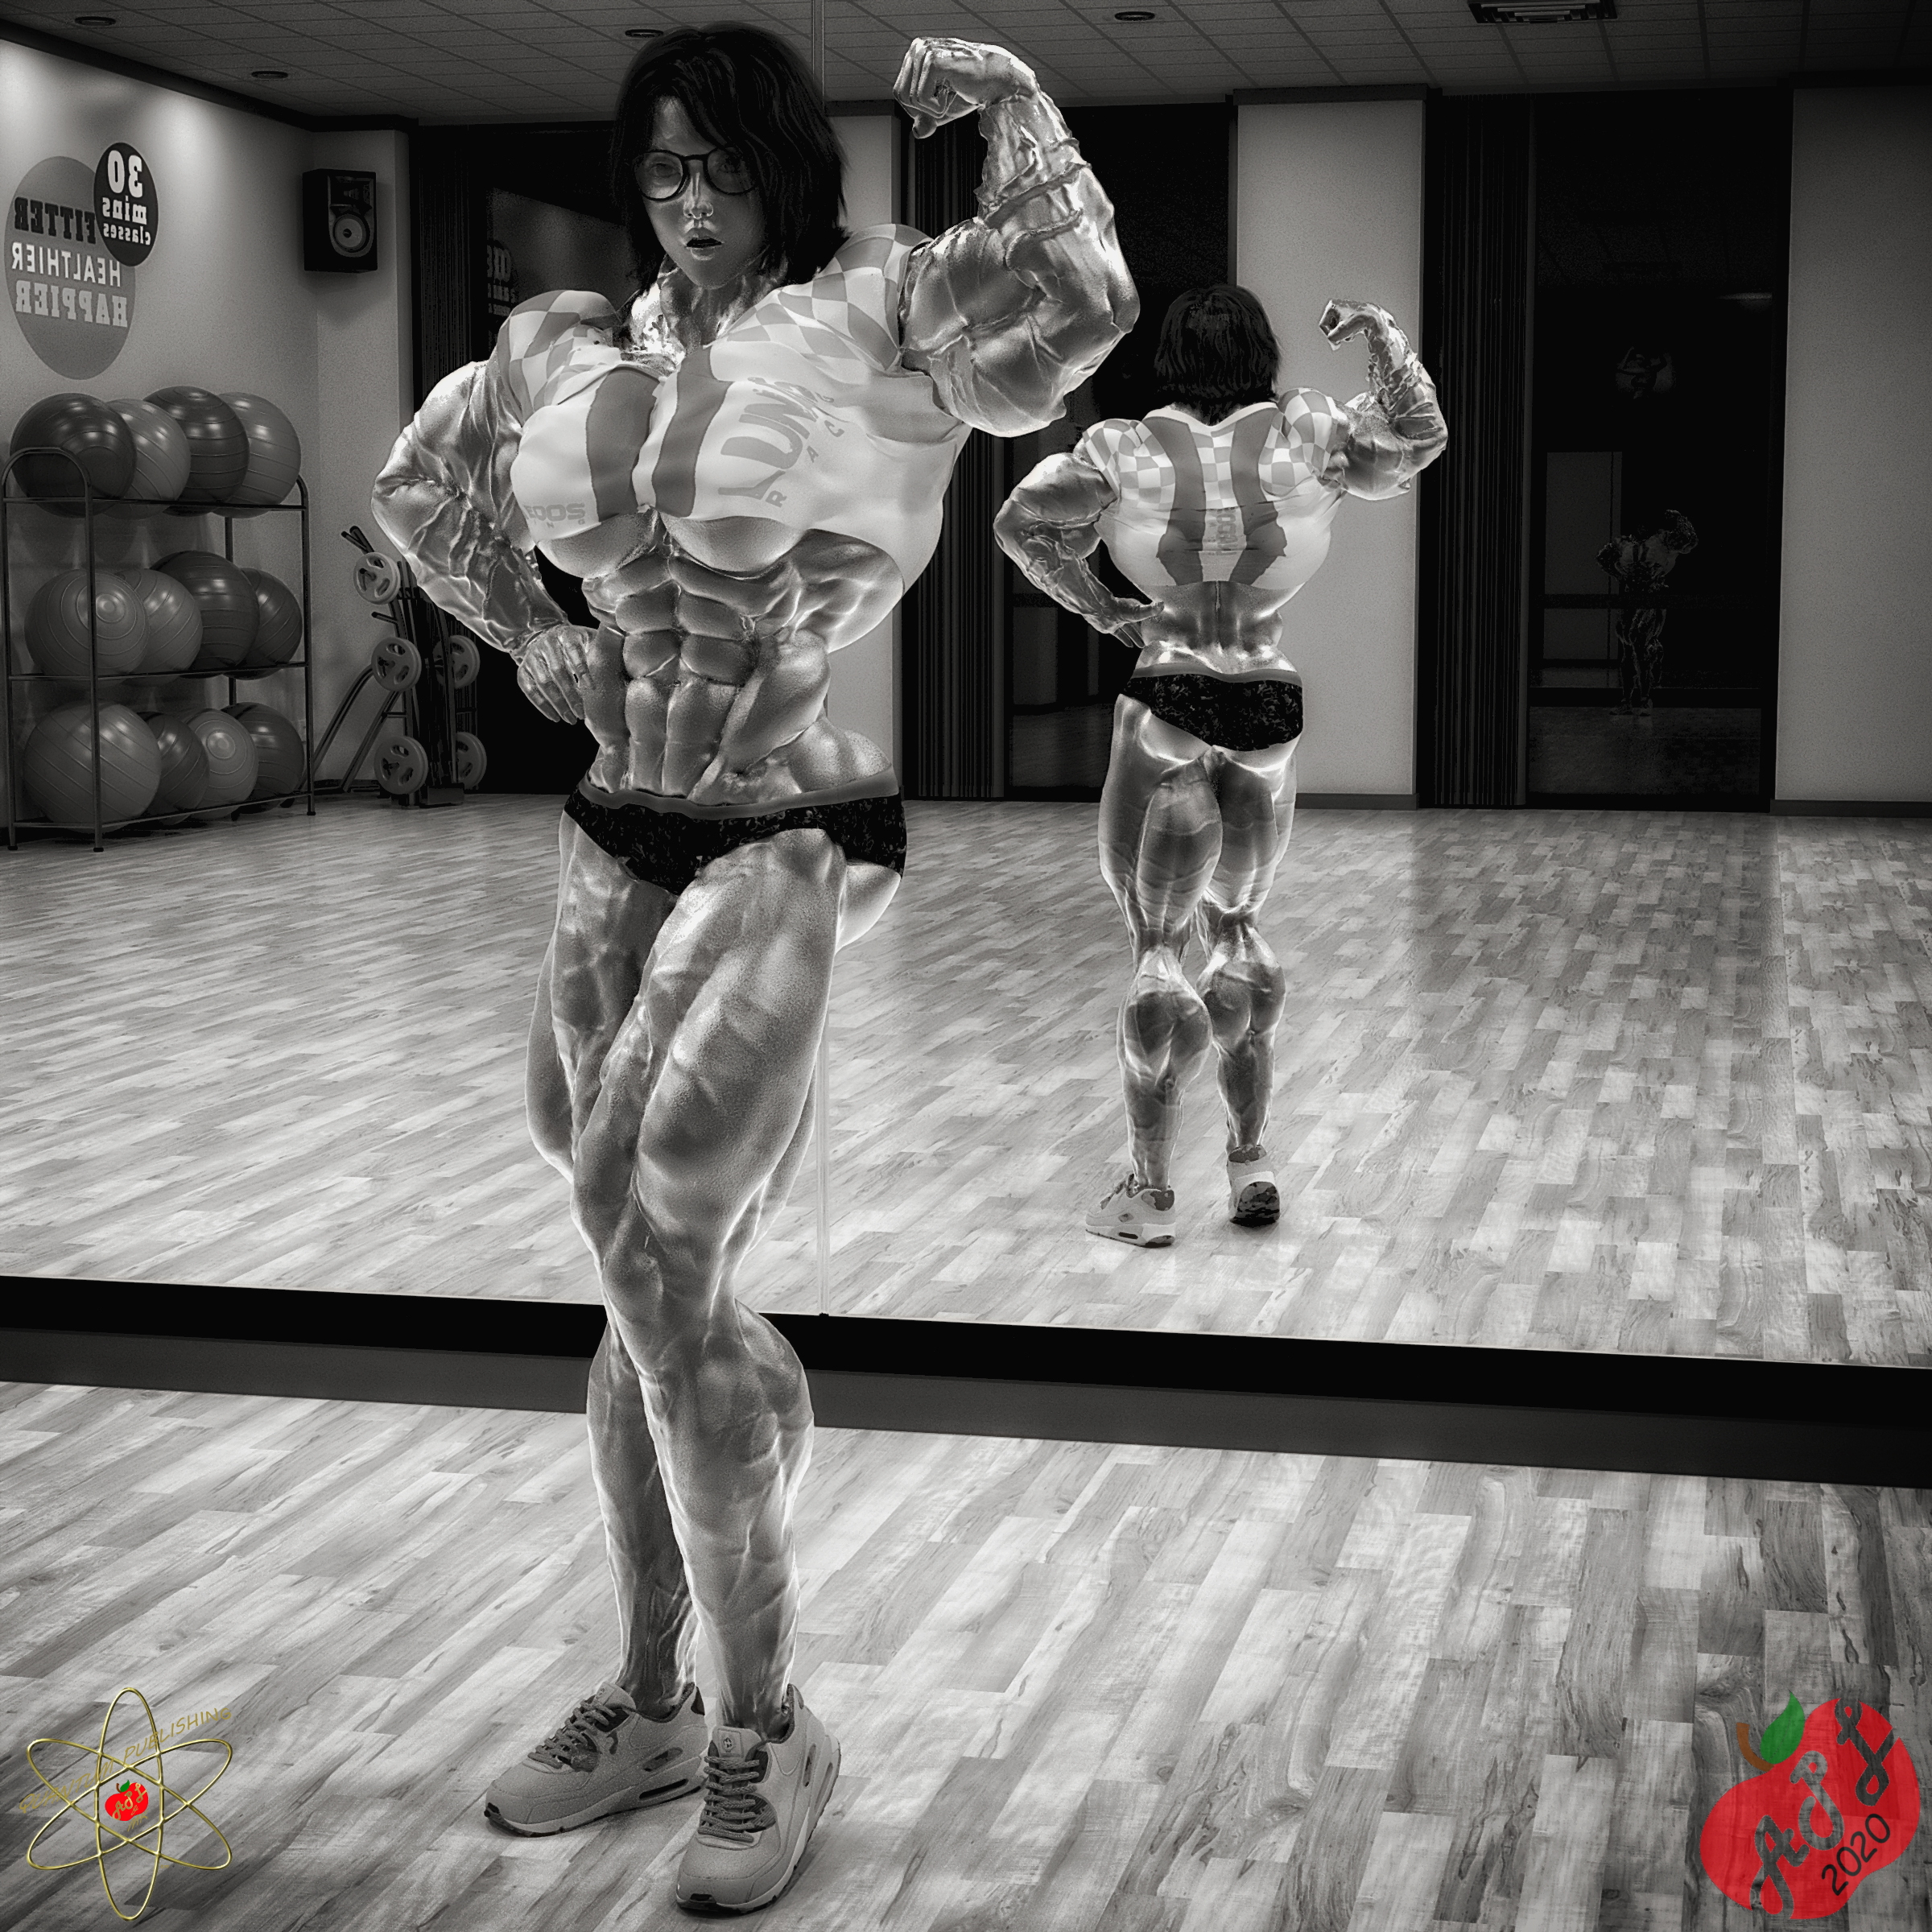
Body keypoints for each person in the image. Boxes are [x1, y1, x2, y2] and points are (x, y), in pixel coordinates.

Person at [372, 25, 1133, 1913]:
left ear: (783, 166)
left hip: (782, 826)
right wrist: (522, 631)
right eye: (659, 169)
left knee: (659, 1264)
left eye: (718, 166)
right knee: (640, 1288)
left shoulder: (878, 311)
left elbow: (1084, 295)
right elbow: (419, 488)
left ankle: (762, 1723)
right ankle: (647, 1699)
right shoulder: (568, 344)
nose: (687, 202)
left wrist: (1013, 106)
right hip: (605, 835)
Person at [994, 284, 1444, 1248]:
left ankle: (1149, 1194)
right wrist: (1380, 335)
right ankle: (1250, 1163)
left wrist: (1100, 608)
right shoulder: (1309, 431)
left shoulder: (1121, 447)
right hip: (1267, 699)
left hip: (1169, 690)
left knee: (1158, 948)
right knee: (1237, 929)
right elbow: (1420, 436)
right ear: (1262, 356)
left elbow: (1019, 524)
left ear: (1169, 360)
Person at [1599, 509, 1698, 715]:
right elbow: (1603, 557)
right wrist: (1621, 575)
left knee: (1639, 641)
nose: (1642, 528)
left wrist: (1679, 518)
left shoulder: (1662, 540)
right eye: (1639, 524)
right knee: (1627, 648)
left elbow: (1689, 540)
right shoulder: (1624, 542)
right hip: (1630, 597)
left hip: (1652, 596)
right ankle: (1626, 700)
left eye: (1646, 524)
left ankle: (1645, 700)